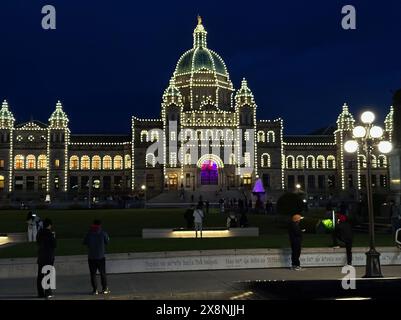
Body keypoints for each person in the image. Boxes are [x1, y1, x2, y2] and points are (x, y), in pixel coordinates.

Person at [83, 220, 110, 295]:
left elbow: (85, 242)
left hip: (91, 257)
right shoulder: (103, 233)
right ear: (100, 225)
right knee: (102, 273)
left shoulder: (89, 233)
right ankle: (104, 289)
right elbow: (107, 242)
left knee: (93, 274)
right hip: (100, 256)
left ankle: (95, 290)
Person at [36, 218, 56, 299]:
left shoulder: (39, 233)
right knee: (48, 275)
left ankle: (40, 293)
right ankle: (48, 293)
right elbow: (54, 245)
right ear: (49, 225)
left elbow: (38, 242)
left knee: (40, 276)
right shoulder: (50, 234)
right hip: (49, 256)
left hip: (41, 256)